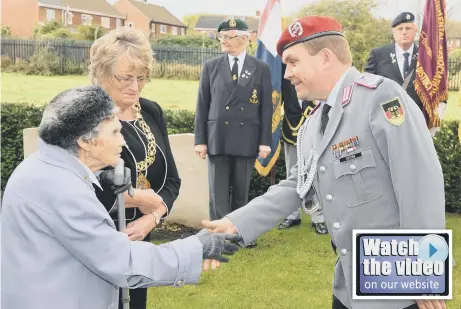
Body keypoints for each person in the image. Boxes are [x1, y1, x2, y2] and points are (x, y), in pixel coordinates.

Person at [201, 16, 446, 309]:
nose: (287, 73)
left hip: (396, 283)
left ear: (326, 58)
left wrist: (425, 273)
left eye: (293, 62)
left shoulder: (381, 96)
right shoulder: (316, 119)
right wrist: (235, 222)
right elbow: (297, 185)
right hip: (347, 284)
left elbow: (420, 181)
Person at [1, 86, 240, 309]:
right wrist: (197, 248)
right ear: (85, 141)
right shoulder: (64, 190)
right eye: (115, 132)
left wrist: (100, 176)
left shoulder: (42, 165)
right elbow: (121, 261)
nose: (123, 141)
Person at [88, 27, 181, 308]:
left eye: (142, 78)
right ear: (101, 73)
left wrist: (151, 219)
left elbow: (172, 180)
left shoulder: (151, 110)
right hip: (94, 239)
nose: (135, 86)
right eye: (125, 78)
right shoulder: (84, 114)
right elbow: (77, 182)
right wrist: (138, 198)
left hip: (140, 239)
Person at [194, 18, 273, 247]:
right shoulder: (211, 66)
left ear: (244, 39)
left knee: (241, 190)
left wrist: (264, 142)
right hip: (217, 136)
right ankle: (219, 235)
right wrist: (200, 140)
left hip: (246, 136)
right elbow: (202, 104)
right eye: (222, 37)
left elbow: (266, 107)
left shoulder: (260, 68)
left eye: (228, 37)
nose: (224, 41)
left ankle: (240, 232)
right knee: (218, 192)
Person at [278, 64, 327, 234]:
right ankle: (292, 215)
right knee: (292, 173)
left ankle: (318, 217)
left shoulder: (315, 72)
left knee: (316, 174)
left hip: (314, 130)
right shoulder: (284, 75)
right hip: (290, 130)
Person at [365, 12, 429, 123]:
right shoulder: (378, 54)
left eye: (408, 28)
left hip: (417, 118)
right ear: (394, 33)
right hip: (386, 118)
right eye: (400, 29)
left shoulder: (426, 56)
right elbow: (367, 85)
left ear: (415, 31)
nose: (404, 32)